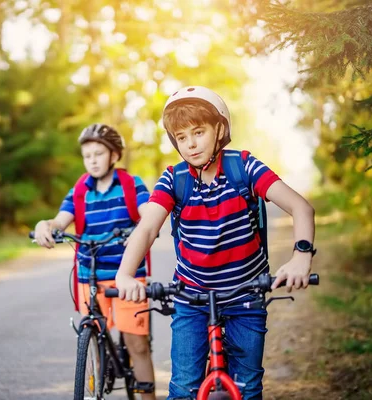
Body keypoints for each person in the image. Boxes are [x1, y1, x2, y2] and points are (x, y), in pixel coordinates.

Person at [115, 86, 316, 399]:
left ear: (219, 129)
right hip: (191, 296)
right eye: (182, 137)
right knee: (183, 388)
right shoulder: (174, 178)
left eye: (199, 132)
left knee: (247, 387)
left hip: (245, 294)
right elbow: (147, 228)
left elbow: (300, 208)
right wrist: (125, 274)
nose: (191, 144)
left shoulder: (243, 167)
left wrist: (301, 256)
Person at [33, 123, 156, 399]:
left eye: (99, 154)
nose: (92, 160)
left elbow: (149, 214)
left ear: (114, 156)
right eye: (87, 155)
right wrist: (45, 225)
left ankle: (147, 395)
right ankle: (97, 390)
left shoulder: (130, 184)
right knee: (96, 338)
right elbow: (60, 221)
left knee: (137, 345)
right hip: (88, 274)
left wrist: (142, 228)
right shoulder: (80, 191)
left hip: (128, 276)